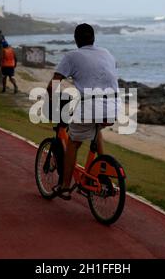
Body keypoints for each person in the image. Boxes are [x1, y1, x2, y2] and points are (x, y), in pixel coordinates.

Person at [46, 23, 119, 200]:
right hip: (113, 106)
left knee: (73, 142)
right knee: (96, 129)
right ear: (93, 38)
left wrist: (50, 97)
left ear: (76, 40)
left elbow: (53, 84)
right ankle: (102, 171)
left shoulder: (72, 56)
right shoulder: (106, 53)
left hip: (90, 106)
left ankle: (64, 186)